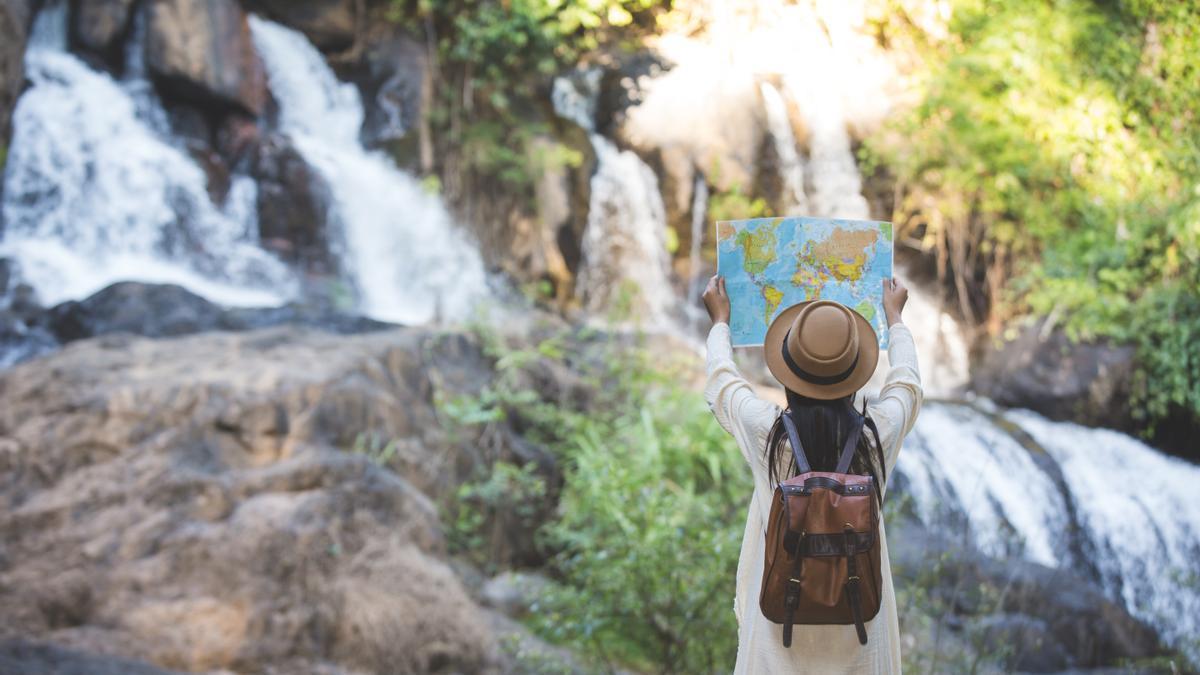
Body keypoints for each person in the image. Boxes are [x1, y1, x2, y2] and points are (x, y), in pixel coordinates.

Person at [701, 276, 922, 674]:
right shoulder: (878, 434)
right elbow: (907, 383)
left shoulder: (767, 434)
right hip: (861, 640)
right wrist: (896, 320)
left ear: (789, 375)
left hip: (777, 642)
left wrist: (720, 321)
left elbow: (723, 383)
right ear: (854, 376)